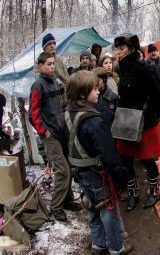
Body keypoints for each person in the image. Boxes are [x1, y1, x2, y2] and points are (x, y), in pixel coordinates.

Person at [64, 70, 132, 255]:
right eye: (94, 89)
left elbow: (66, 144)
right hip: (97, 174)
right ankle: (116, 247)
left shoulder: (67, 114)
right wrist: (122, 177)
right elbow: (109, 153)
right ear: (82, 94)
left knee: (94, 208)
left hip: (81, 173)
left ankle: (99, 244)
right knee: (109, 210)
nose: (99, 92)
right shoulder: (93, 121)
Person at [114, 34, 160, 211]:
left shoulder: (143, 69)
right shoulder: (122, 69)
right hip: (125, 120)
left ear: (132, 49)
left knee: (148, 159)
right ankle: (133, 192)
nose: (117, 52)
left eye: (121, 48)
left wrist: (149, 113)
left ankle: (154, 191)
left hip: (144, 121)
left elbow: (158, 95)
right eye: (117, 49)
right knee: (126, 157)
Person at [29, 52, 82, 221]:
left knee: (68, 167)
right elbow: (33, 114)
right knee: (62, 171)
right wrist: (44, 131)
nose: (52, 67)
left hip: (62, 132)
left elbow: (64, 104)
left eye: (53, 64)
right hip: (50, 135)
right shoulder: (38, 85)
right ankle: (56, 206)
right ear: (40, 66)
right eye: (48, 64)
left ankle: (68, 201)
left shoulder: (56, 82)